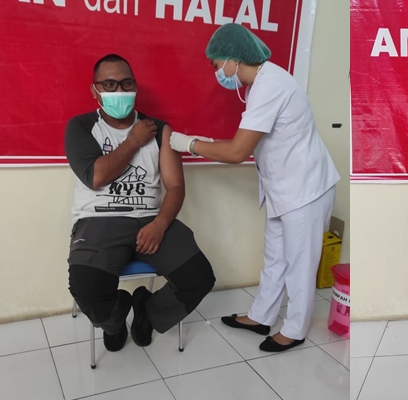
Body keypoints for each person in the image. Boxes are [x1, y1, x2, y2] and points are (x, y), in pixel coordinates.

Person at [169, 23, 340, 352]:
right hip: (283, 189)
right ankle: (261, 316)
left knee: (300, 264)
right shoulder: (260, 84)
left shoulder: (270, 86)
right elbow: (249, 142)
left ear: (233, 59)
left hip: (305, 190)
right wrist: (204, 142)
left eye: (217, 65)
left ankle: (295, 329)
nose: (218, 73)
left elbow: (237, 152)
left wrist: (189, 144)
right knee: (275, 257)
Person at [65, 54, 216, 352]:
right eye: (110, 84)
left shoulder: (159, 130)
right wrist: (134, 140)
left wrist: (160, 225)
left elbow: (175, 186)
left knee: (199, 278)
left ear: (135, 87)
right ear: (95, 90)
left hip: (150, 218)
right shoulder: (81, 127)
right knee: (87, 289)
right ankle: (115, 318)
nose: (119, 91)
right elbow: (96, 176)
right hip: (98, 220)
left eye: (126, 83)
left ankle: (147, 310)